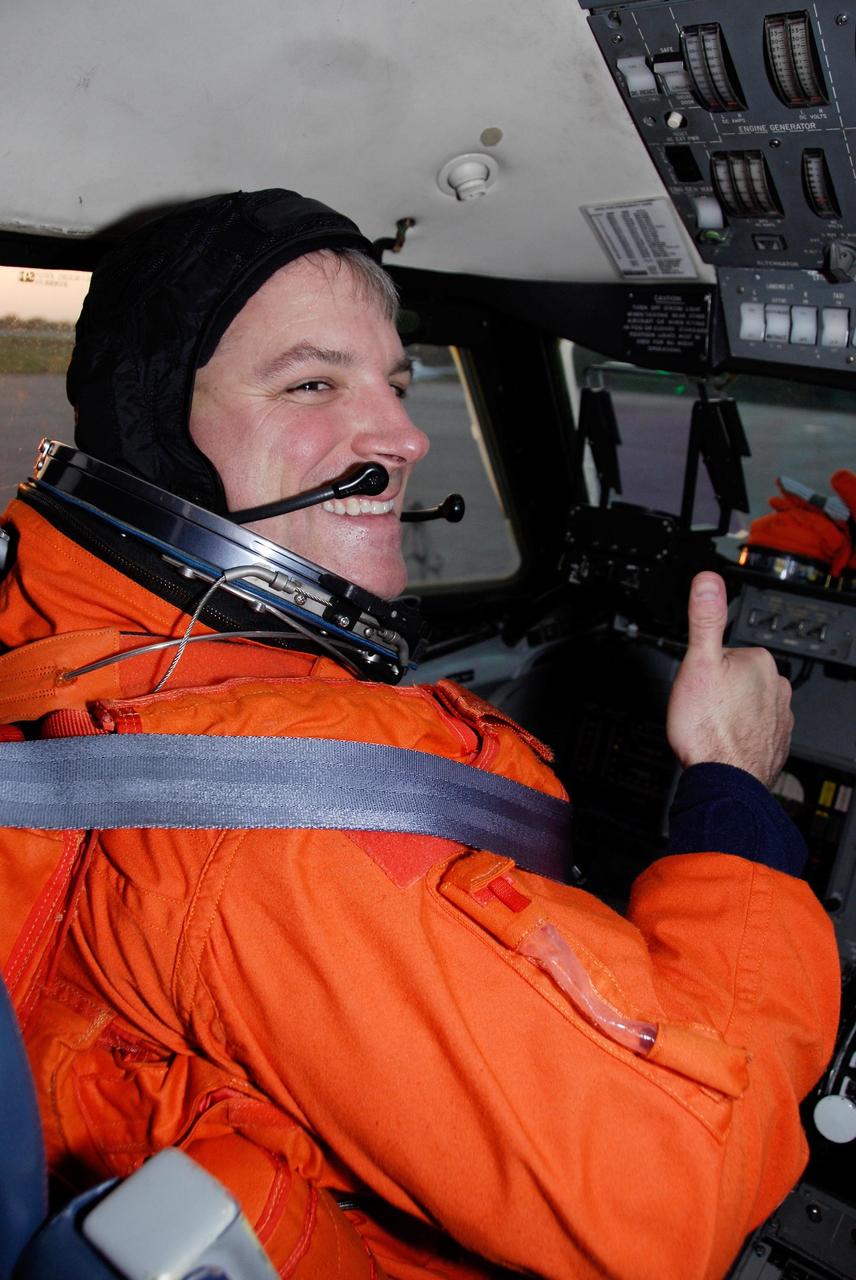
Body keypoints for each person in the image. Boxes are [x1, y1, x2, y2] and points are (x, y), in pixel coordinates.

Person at [0, 189, 840, 1280]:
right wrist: (732, 785)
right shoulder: (263, 839)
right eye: (312, 383)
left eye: (397, 382)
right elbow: (676, 1194)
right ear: (166, 438)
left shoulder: (65, 647)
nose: (403, 435)